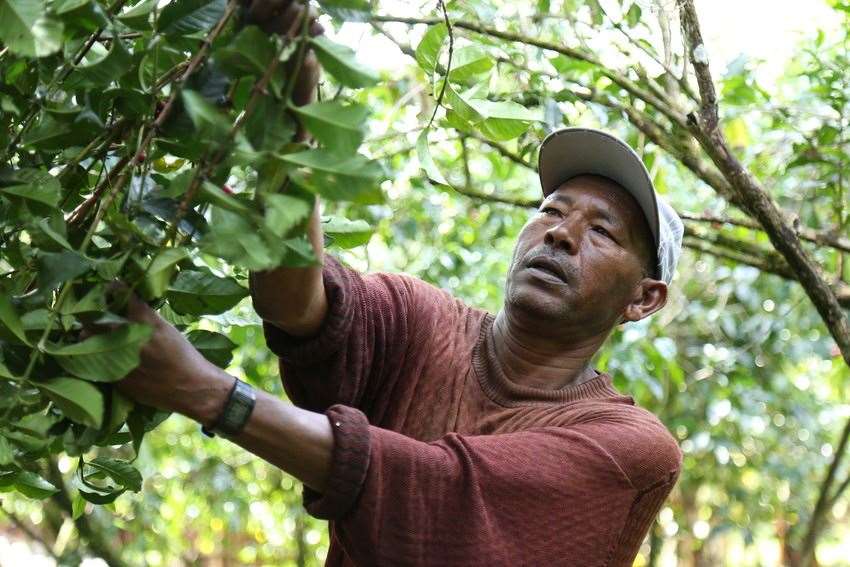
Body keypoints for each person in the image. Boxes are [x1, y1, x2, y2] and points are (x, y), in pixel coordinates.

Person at [114, 1, 685, 565]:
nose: (560, 234)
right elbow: (297, 306)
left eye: (603, 232)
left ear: (643, 297)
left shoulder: (630, 449)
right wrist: (292, 104)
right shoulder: (422, 320)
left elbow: (443, 499)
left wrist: (207, 392)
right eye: (552, 210)